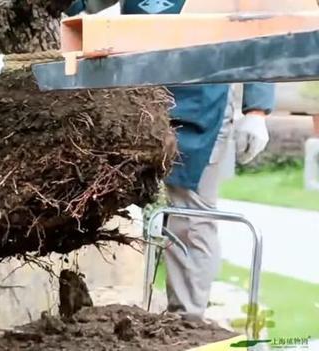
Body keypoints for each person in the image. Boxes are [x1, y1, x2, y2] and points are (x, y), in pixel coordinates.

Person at [64, 1, 275, 320]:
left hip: (203, 100)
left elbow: (258, 21)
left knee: (190, 213)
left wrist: (256, 109)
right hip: (139, 97)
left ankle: (186, 320)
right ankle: (125, 305)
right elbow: (85, 7)